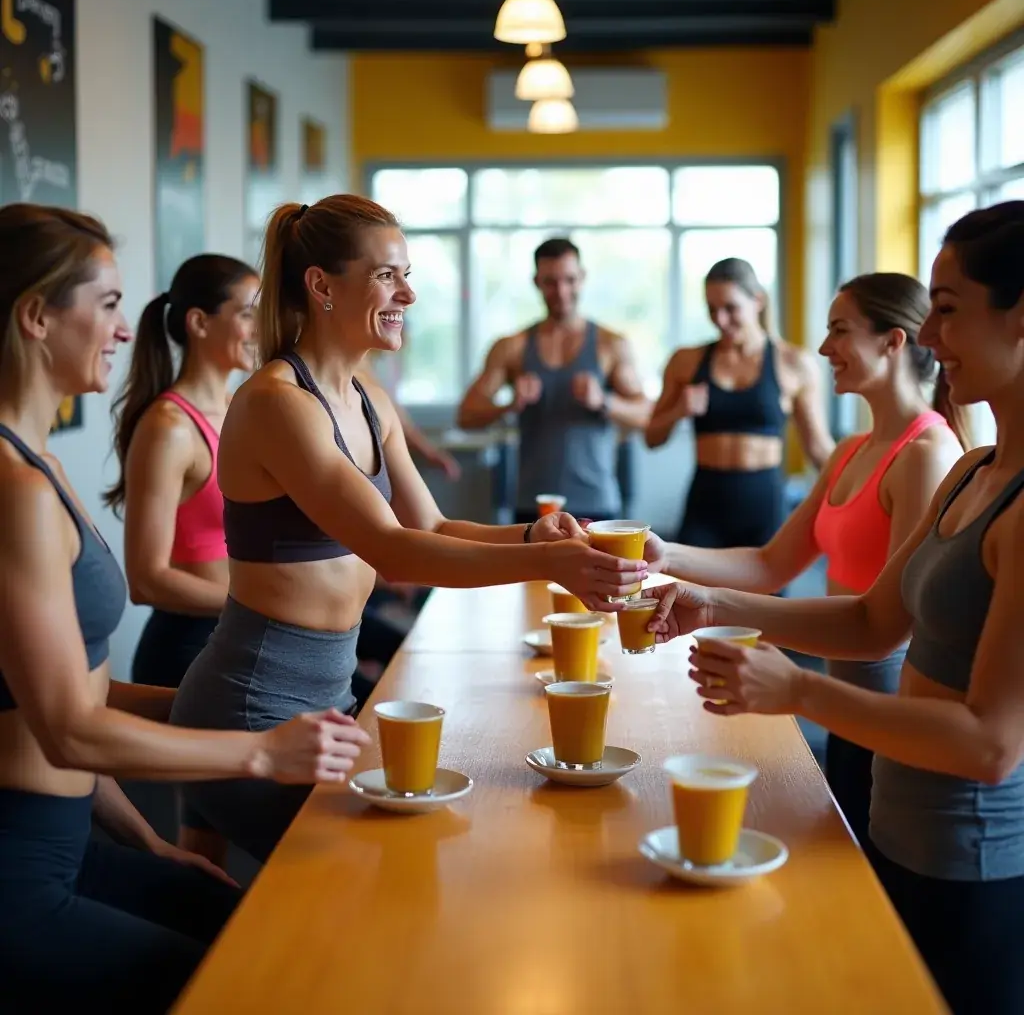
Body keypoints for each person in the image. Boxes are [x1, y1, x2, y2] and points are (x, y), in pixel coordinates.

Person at [169, 196, 647, 863]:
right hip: (250, 711)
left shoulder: (369, 399)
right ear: (321, 285)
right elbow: (395, 550)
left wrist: (538, 540)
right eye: (390, 275)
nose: (409, 294)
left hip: (325, 704)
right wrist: (548, 566)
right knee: (355, 884)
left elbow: (433, 524)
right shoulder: (279, 403)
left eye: (408, 274)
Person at [645, 202, 1024, 1015]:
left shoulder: (965, 473)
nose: (929, 338)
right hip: (899, 827)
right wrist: (705, 599)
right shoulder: (973, 472)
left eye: (948, 310)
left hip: (973, 864)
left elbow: (993, 745)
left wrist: (800, 692)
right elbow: (866, 622)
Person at [0, 204, 370, 1013]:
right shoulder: (15, 491)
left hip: (76, 843)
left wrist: (152, 838)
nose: (126, 331)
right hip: (21, 868)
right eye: (105, 306)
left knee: (246, 922)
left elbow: (73, 696)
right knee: (261, 984)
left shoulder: (45, 473)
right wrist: (258, 753)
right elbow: (67, 728)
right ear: (35, 316)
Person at [642, 272, 966, 843]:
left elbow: (883, 626)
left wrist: (713, 606)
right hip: (846, 702)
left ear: (893, 342)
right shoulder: (851, 451)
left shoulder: (927, 453)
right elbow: (771, 565)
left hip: (889, 705)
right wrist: (665, 554)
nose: (822, 350)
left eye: (839, 331)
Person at [106, 255, 260, 693]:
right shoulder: (169, 428)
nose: (259, 330)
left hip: (241, 633)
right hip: (186, 648)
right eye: (248, 315)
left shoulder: (242, 407)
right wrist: (261, 604)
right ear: (199, 322)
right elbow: (146, 579)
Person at [456, 237, 652, 523]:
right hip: (532, 504)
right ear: (536, 281)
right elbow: (466, 416)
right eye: (550, 281)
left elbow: (648, 415)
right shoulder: (513, 347)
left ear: (582, 278)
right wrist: (509, 406)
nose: (561, 291)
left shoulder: (610, 345)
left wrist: (604, 401)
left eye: (570, 280)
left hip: (595, 502)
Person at [646, 258, 835, 548]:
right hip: (705, 508)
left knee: (767, 595)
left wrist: (861, 491)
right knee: (685, 592)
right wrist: (678, 411)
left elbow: (819, 449)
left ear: (757, 300)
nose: (720, 320)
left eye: (730, 308)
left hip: (765, 511)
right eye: (712, 310)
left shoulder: (793, 363)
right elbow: (652, 437)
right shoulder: (686, 361)